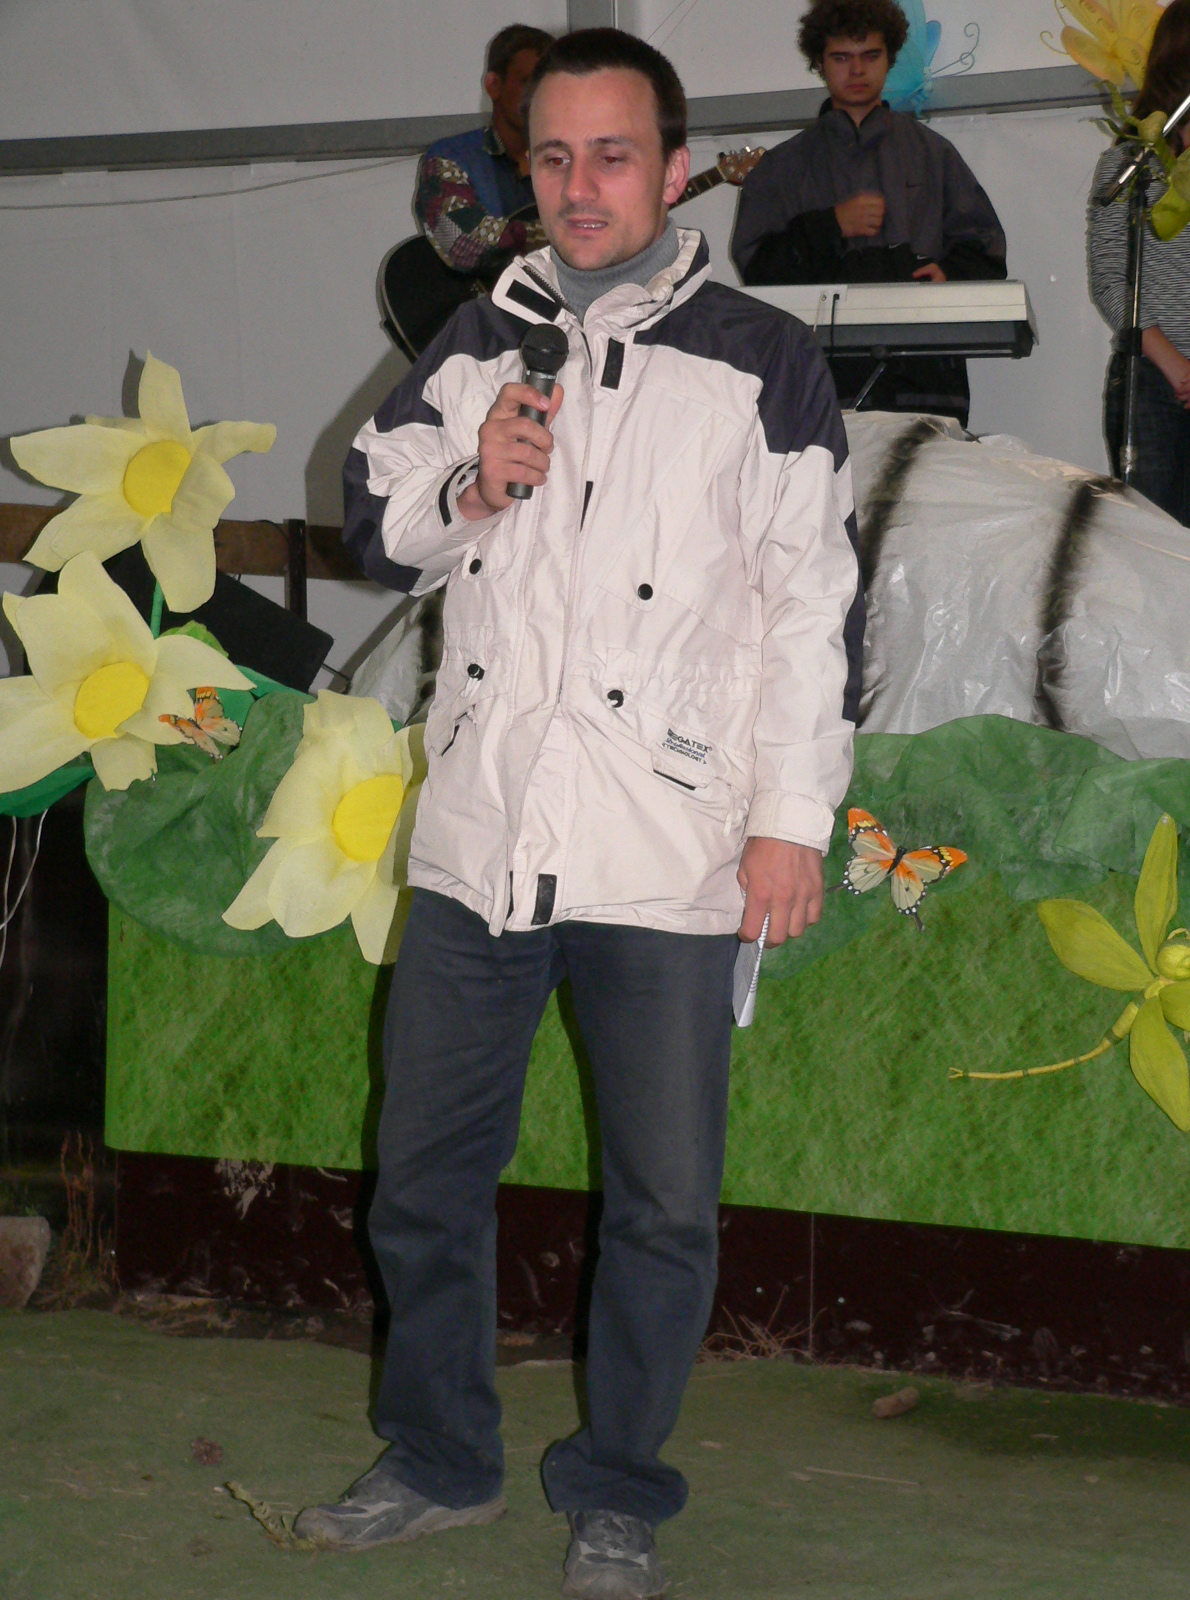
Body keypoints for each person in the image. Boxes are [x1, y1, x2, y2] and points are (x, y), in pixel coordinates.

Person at [303, 27, 862, 1600]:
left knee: (663, 1206)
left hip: (668, 844)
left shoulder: (763, 360)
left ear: (675, 171)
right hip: (482, 839)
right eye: (553, 157)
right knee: (423, 1175)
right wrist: (472, 482)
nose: (581, 185)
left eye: (613, 154)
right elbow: (367, 517)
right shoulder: (477, 337)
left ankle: (618, 1492)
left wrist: (793, 816)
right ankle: (438, 1458)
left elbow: (814, 608)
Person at [730, 0, 1006, 428]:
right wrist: (830, 226)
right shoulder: (781, 168)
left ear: (890, 59)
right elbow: (758, 272)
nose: (857, 70)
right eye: (841, 57)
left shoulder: (935, 154)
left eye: (870, 56)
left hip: (926, 388)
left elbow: (987, 251)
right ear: (819, 63)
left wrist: (950, 274)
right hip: (816, 390)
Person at [1087, 0, 1190, 530]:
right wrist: (1177, 367)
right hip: (1150, 378)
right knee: (1152, 543)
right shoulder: (1130, 164)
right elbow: (1110, 280)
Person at [416, 23, 554, 276]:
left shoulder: (573, 161)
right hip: (488, 301)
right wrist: (560, 233)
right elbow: (462, 241)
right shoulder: (449, 157)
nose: (540, 96)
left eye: (549, 85)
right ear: (494, 86)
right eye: (527, 82)